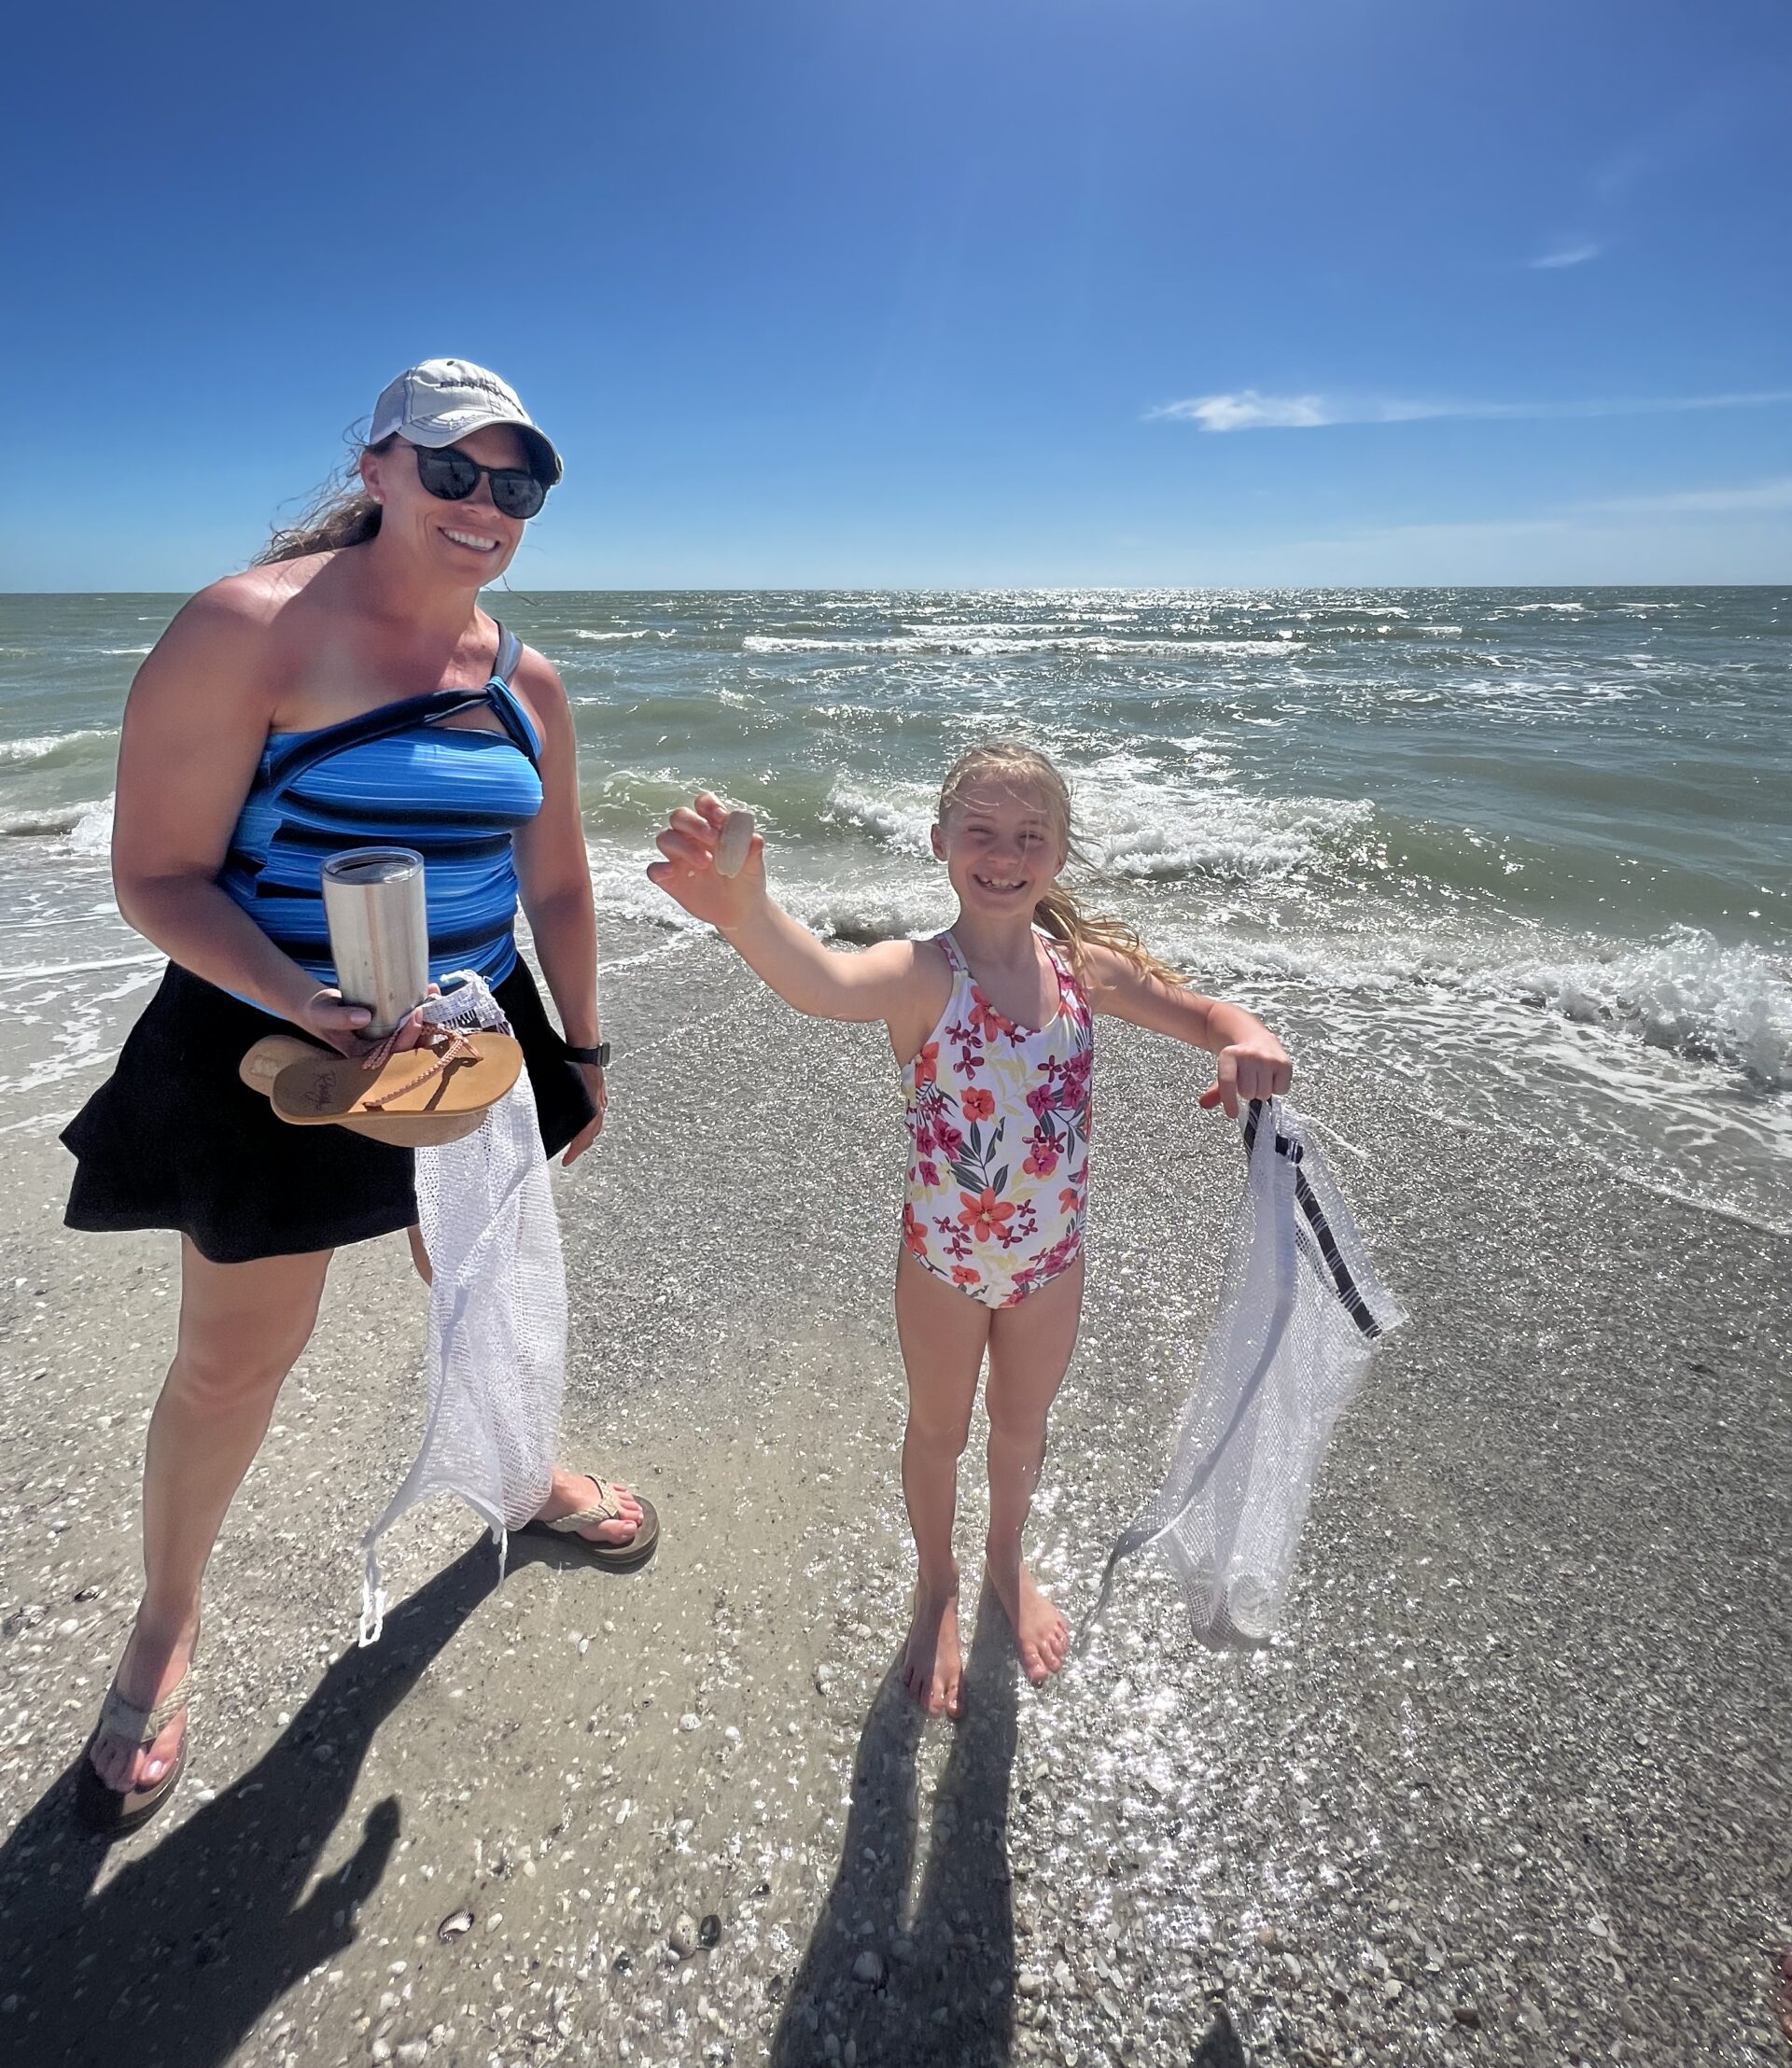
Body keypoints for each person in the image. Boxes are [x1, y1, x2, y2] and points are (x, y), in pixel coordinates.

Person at [62, 358, 655, 1838]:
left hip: (472, 1033)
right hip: (275, 1042)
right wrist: (307, 1002)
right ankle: (165, 1625)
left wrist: (578, 1048)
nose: (484, 507)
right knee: (236, 1362)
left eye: (515, 486)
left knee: (487, 1279)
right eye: (454, 471)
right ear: (381, 464)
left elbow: (561, 880)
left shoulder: (525, 679)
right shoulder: (246, 628)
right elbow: (159, 877)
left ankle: (516, 1480)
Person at [648, 742, 1293, 1717]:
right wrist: (750, 917)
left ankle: (1004, 1559)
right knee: (940, 1428)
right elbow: (823, 980)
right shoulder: (923, 975)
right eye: (981, 832)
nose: (1003, 853)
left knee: (1021, 1428)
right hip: (942, 1264)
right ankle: (937, 1582)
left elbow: (1204, 1012)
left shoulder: (1087, 970)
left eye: (1029, 835)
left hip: (1050, 1264)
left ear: (1061, 853)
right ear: (941, 842)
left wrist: (1252, 1037)